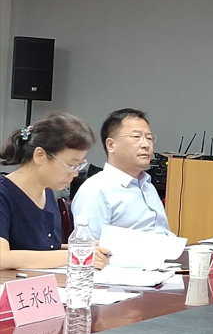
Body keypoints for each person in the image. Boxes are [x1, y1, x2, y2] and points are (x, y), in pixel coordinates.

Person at [0, 113, 110, 270]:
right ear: (40, 156)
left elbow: (45, 249)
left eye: (80, 165)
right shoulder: (4, 194)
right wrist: (74, 254)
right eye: (71, 165)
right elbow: (2, 258)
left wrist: (86, 248)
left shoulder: (47, 191)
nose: (75, 173)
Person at [71, 108, 174, 239]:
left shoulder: (148, 186)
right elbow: (88, 245)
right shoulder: (96, 189)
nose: (146, 144)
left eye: (149, 138)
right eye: (136, 137)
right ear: (111, 145)